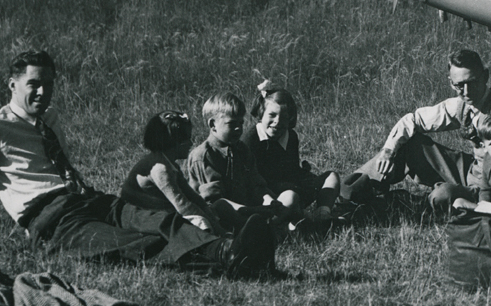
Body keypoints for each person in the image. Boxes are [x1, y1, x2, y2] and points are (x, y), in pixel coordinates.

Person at [0, 51, 273, 276]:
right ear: (12, 85)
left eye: (48, 84)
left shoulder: (50, 122)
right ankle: (226, 256)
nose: (42, 92)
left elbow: (63, 167)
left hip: (89, 200)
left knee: (161, 220)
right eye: (33, 84)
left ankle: (232, 246)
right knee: (130, 243)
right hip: (52, 219)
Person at [354, 48, 491, 212]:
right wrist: (388, 151)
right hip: (472, 171)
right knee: (410, 144)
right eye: (459, 85)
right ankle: (349, 191)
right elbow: (414, 120)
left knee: (443, 195)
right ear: (451, 83)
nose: (466, 91)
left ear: (485, 76)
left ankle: (398, 205)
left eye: (472, 82)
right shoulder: (462, 104)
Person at [244, 83, 342, 223]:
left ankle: (322, 216)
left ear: (290, 118)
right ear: (261, 113)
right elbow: (251, 182)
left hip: (291, 187)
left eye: (283, 117)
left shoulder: (290, 136)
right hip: (266, 196)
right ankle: (277, 224)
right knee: (290, 197)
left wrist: (305, 177)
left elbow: (293, 170)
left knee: (331, 177)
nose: (277, 122)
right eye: (272, 115)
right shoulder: (251, 139)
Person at [119, 110, 227, 235]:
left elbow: (190, 195)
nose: (191, 144)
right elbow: (183, 205)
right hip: (139, 214)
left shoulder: (169, 163)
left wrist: (208, 211)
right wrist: (217, 228)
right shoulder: (161, 169)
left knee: (214, 209)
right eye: (186, 139)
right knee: (198, 221)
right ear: (174, 143)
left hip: (155, 208)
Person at [185, 92, 275, 227]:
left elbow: (255, 182)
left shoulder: (242, 149)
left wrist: (269, 200)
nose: (239, 128)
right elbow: (214, 200)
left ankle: (266, 223)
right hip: (216, 215)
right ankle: (258, 226)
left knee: (289, 198)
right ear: (213, 124)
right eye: (232, 124)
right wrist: (250, 210)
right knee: (220, 207)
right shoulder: (204, 155)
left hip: (246, 208)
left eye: (241, 123)